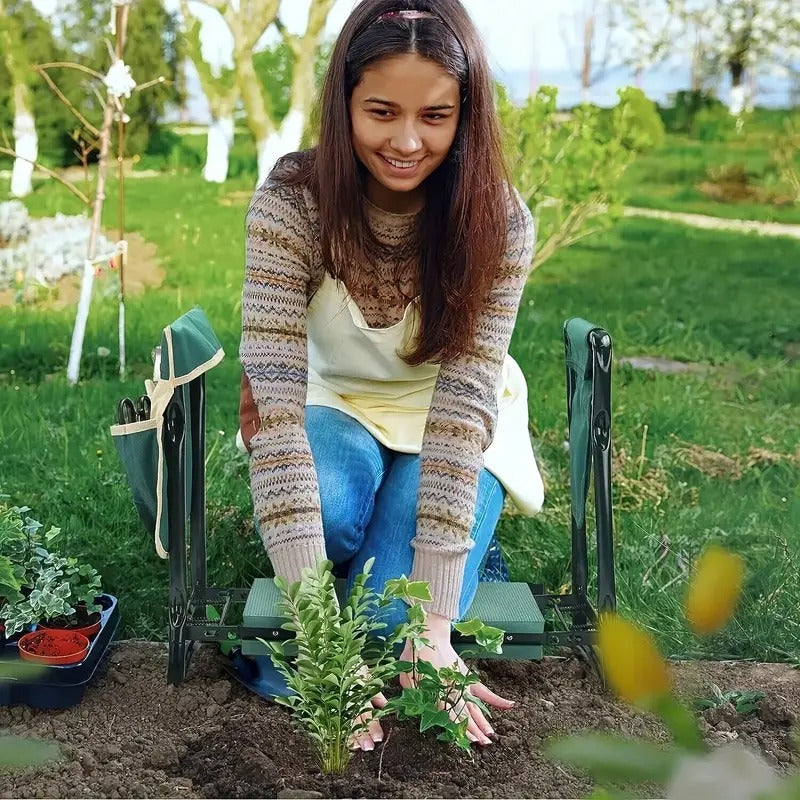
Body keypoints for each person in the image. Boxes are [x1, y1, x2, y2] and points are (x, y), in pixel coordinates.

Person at [238, 0, 544, 752]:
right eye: (381, 111)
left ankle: (444, 548)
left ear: (465, 115)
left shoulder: (498, 221)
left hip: (453, 422)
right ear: (343, 105)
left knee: (393, 627)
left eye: (435, 116)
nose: (407, 141)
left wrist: (436, 627)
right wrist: (314, 645)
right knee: (329, 507)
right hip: (335, 401)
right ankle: (353, 557)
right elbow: (275, 413)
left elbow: (464, 403)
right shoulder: (292, 205)